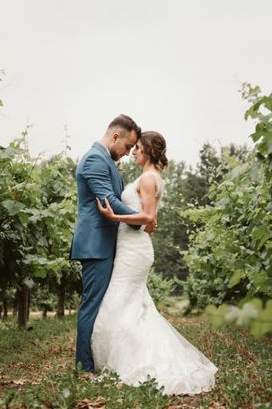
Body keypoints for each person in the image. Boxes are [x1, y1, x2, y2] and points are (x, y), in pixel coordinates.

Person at [91, 131, 218, 395]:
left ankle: (135, 364)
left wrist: (113, 217)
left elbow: (148, 217)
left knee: (116, 304)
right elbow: (148, 218)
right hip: (130, 247)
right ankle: (128, 359)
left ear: (148, 150)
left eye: (137, 147)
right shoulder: (146, 177)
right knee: (133, 306)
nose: (134, 151)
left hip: (134, 251)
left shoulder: (149, 178)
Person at [70, 115, 157, 374]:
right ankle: (84, 368)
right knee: (93, 304)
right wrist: (142, 221)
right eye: (128, 146)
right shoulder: (95, 159)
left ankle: (101, 360)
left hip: (109, 243)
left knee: (106, 305)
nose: (129, 152)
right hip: (96, 244)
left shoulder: (107, 159)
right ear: (116, 136)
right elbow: (108, 202)